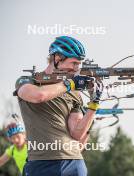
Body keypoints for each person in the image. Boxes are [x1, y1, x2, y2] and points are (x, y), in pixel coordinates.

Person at [14, 36, 103, 176]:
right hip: (41, 163)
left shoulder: (74, 92)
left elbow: (77, 133)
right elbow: (39, 96)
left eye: (79, 64)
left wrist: (94, 103)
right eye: (73, 63)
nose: (76, 69)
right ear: (57, 58)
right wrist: (69, 84)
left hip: (74, 163)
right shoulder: (28, 81)